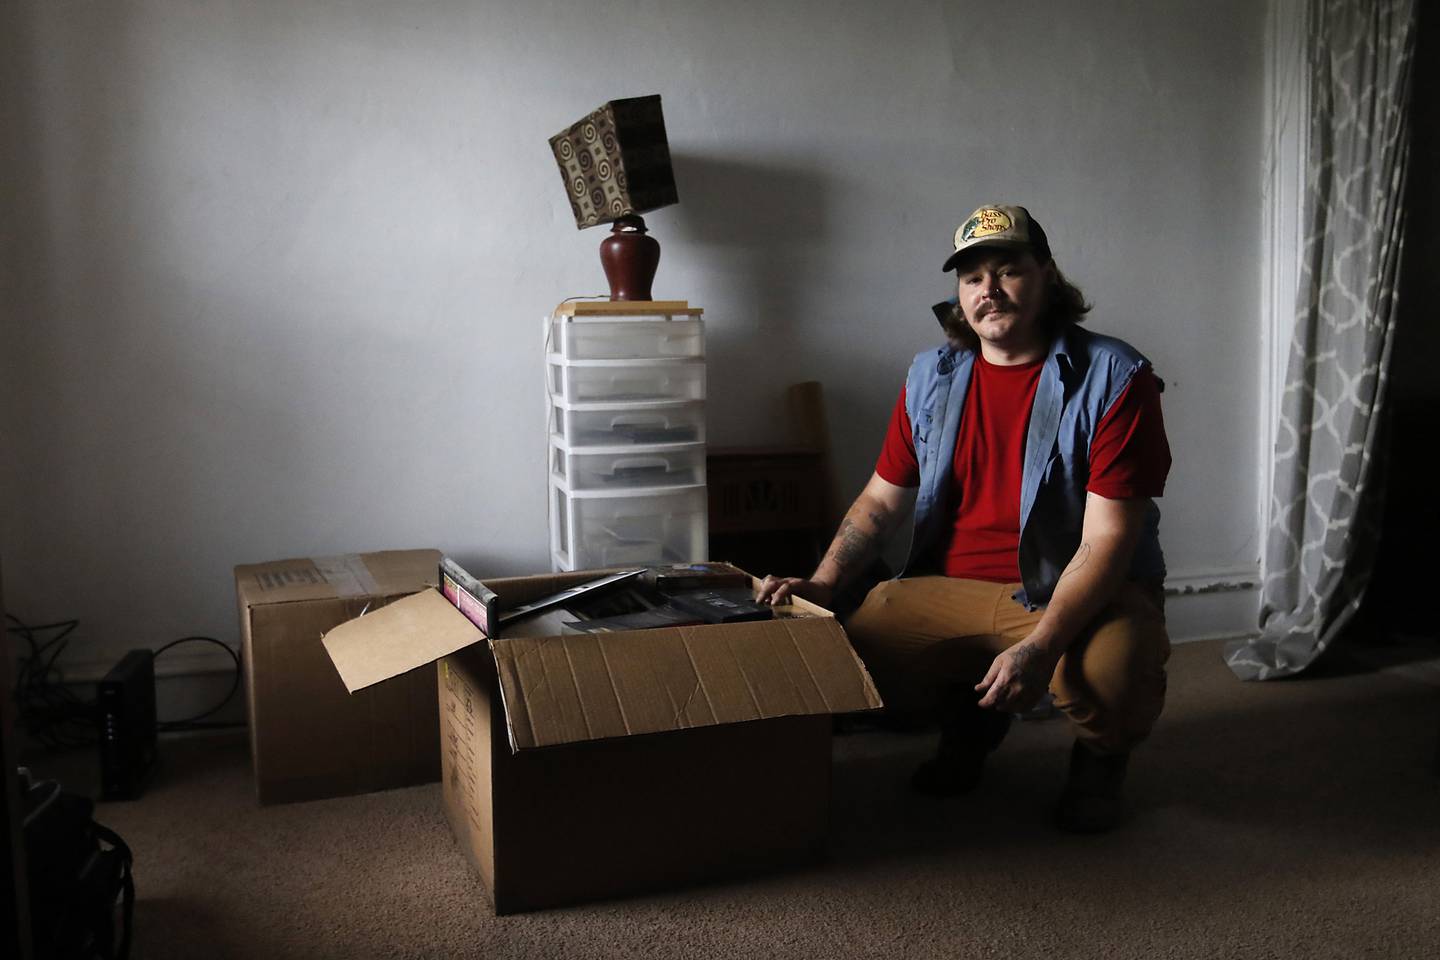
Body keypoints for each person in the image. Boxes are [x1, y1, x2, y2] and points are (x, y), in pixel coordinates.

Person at [757, 204, 1172, 833]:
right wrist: (820, 587)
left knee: (1110, 674)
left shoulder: (1114, 376)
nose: (990, 290)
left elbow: (1109, 540)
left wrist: (1041, 646)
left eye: (1009, 270)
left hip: (1068, 590)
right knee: (857, 657)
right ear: (959, 294)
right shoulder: (930, 375)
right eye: (973, 277)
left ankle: (1100, 760)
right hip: (949, 582)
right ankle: (970, 729)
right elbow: (880, 501)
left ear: (1048, 278)